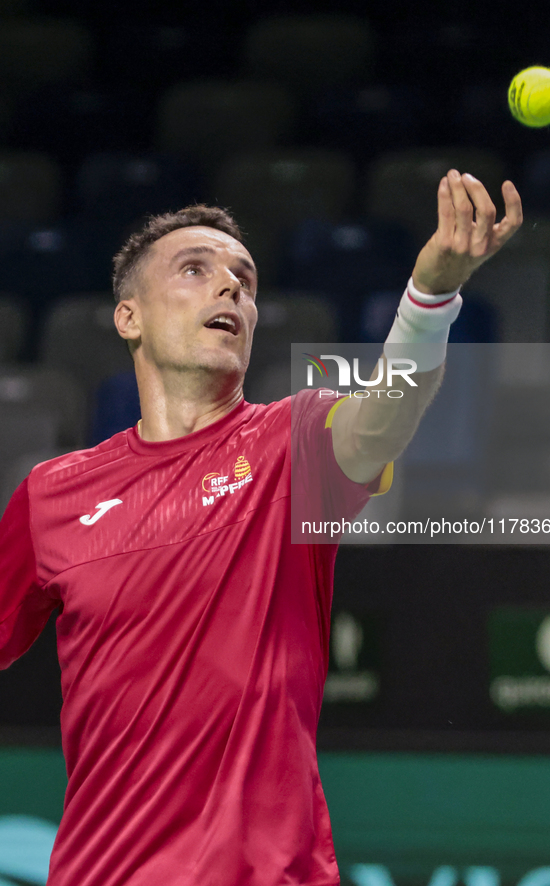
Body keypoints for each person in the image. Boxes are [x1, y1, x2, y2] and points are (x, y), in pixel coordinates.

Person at [0, 170, 522, 886]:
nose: (231, 290)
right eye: (195, 270)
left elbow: (381, 419)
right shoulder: (51, 494)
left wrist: (429, 298)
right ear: (129, 318)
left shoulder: (292, 441)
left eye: (244, 281)